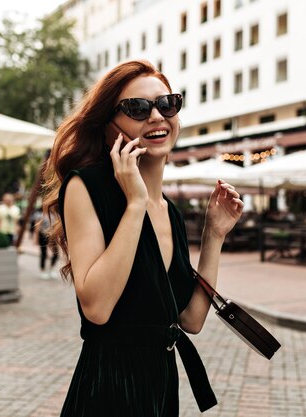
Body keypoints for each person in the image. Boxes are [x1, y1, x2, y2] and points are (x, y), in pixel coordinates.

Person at [41, 60, 243, 416]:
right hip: (109, 389)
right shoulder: (87, 187)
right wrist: (135, 203)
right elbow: (98, 309)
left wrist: (214, 235)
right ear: (109, 128)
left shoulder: (171, 212)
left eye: (167, 104)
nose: (156, 117)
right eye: (137, 108)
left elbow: (191, 320)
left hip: (162, 385)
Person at [32, 207, 59, 280]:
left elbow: (56, 226)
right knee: (43, 253)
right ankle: (42, 270)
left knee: (56, 253)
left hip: (52, 236)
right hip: (43, 236)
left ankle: (51, 269)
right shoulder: (40, 215)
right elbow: (37, 228)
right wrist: (36, 238)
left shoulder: (55, 215)